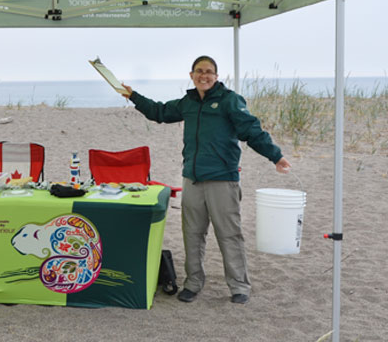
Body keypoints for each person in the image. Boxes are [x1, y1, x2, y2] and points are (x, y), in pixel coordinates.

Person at [119, 55, 290, 304]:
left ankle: (239, 286)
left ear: (217, 76)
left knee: (229, 235)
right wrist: (134, 96)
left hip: (223, 180)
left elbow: (251, 130)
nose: (204, 76)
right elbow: (159, 112)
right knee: (192, 234)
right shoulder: (188, 102)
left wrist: (276, 156)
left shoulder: (230, 100)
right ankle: (193, 283)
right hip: (193, 179)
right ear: (191, 75)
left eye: (209, 72)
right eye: (199, 71)